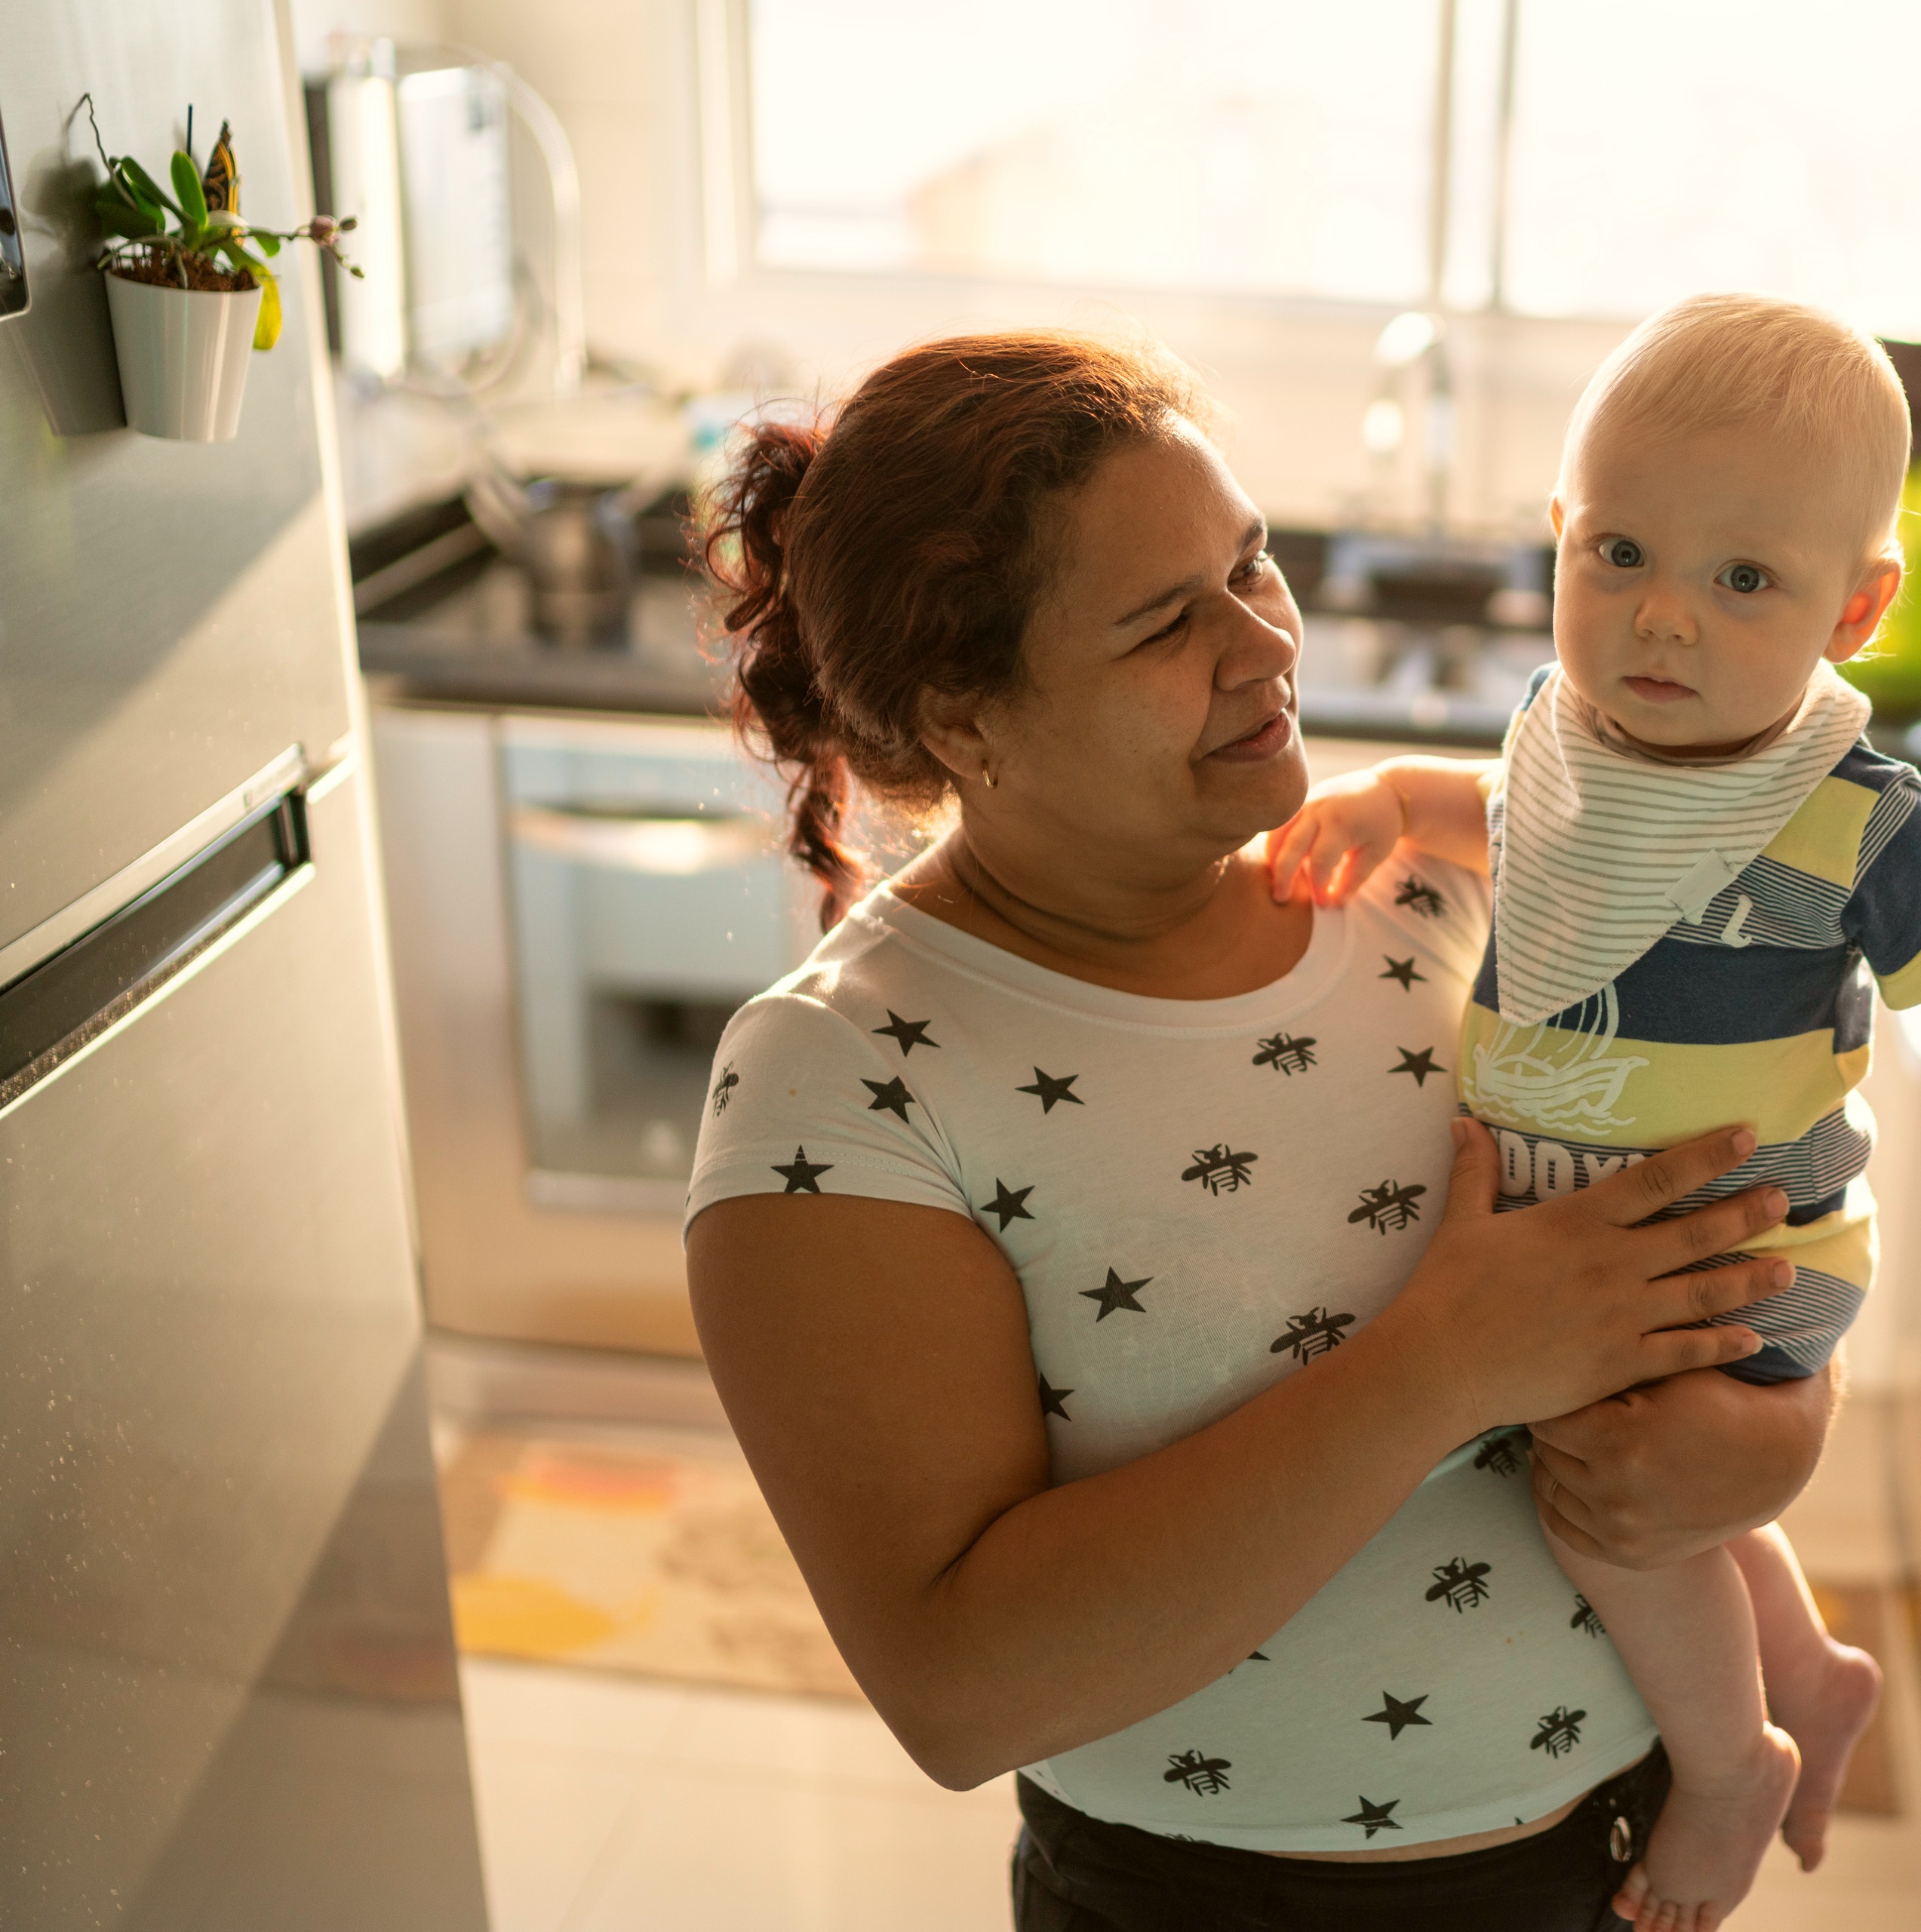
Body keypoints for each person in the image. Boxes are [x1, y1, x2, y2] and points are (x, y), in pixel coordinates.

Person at [681, 331, 1852, 1932]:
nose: (1263, 648)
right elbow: (955, 1690)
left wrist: (1775, 1438)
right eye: (1167, 621)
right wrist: (1447, 1363)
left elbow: (1749, 1199)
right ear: (963, 720)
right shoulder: (843, 1078)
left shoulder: (1443, 887)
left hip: (1621, 1859)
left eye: (1253, 566)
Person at [1270, 293, 1921, 1931]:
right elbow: (1501, 818)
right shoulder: (1574, 747)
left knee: (1613, 1502)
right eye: (1621, 554)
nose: (1662, 620)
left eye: (1742, 580)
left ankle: (1734, 1768)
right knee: (1636, 1487)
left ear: (1855, 608)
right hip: (1590, 1228)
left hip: (1729, 1246)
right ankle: (1807, 1668)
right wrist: (1384, 801)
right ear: (1559, 538)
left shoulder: (1847, 822)